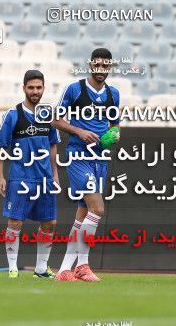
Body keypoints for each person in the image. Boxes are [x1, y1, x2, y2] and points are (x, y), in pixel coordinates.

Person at [53, 48, 120, 282]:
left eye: (105, 66)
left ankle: (63, 270)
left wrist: (113, 135)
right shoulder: (75, 89)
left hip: (99, 159)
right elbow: (55, 119)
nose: (101, 69)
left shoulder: (113, 94)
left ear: (109, 68)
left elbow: (114, 125)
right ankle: (83, 265)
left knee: (82, 215)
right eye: (97, 65)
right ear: (91, 65)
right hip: (78, 156)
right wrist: (79, 131)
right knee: (98, 209)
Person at [0, 70, 61, 279]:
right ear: (23, 88)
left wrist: (55, 175)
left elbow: (52, 147)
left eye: (38, 87)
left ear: (43, 88)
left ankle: (41, 269)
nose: (35, 91)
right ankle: (13, 268)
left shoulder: (49, 115)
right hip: (20, 177)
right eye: (31, 87)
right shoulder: (13, 115)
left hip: (45, 179)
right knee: (15, 222)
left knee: (49, 223)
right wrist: (0, 176)